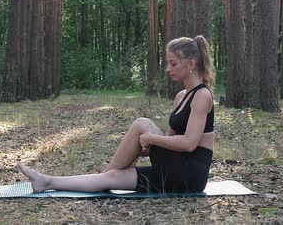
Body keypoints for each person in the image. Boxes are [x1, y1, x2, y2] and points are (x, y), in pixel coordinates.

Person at [18, 35, 216, 193]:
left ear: (191, 64)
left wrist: (150, 139)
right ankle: (46, 182)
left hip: (190, 174)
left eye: (173, 64)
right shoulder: (181, 95)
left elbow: (189, 144)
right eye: (167, 63)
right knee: (112, 178)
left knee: (141, 124)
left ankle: (101, 179)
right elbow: (171, 139)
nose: (168, 69)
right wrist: (147, 147)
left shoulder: (202, 95)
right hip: (173, 168)